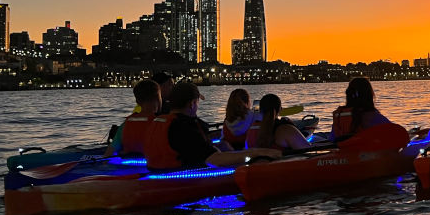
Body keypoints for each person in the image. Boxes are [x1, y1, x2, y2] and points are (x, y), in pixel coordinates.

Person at [144, 81, 280, 169]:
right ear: (192, 103)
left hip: (158, 171)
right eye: (197, 102)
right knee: (258, 161)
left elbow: (189, 149)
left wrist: (214, 147)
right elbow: (216, 160)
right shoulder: (184, 126)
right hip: (182, 178)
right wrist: (256, 153)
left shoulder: (158, 121)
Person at [103, 79, 161, 158]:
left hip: (128, 164)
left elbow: (109, 153)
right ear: (158, 98)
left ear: (137, 101)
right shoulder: (161, 124)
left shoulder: (126, 124)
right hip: (152, 165)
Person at [330, 77, 393, 142]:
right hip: (368, 150)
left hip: (344, 150)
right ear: (369, 95)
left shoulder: (339, 116)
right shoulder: (374, 117)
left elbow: (332, 138)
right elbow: (396, 132)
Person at [245, 94, 311, 150]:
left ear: (260, 110)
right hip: (281, 164)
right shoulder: (285, 129)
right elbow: (307, 149)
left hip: (257, 164)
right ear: (280, 110)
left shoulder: (251, 129)